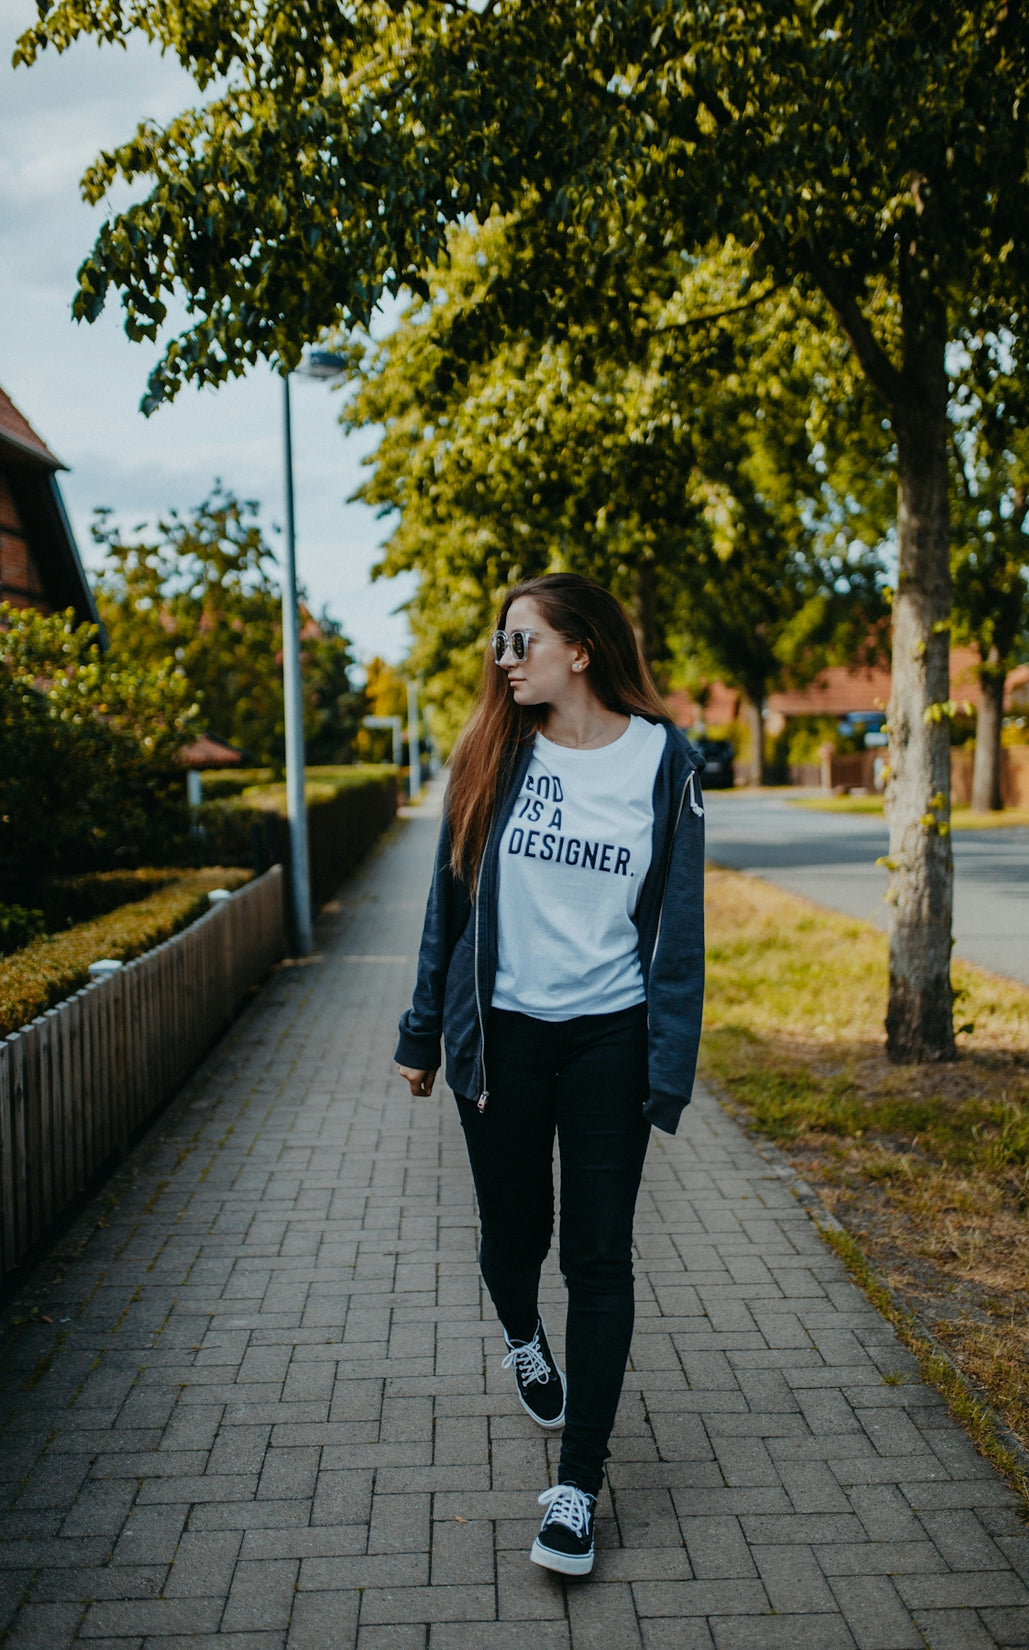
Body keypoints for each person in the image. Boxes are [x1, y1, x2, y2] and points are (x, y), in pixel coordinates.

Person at [395, 573, 705, 1577]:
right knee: (512, 1239)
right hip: (506, 1035)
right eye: (500, 642)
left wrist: (667, 1064)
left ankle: (575, 1487)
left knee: (599, 1257)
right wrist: (419, 1033)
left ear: (579, 648)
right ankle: (521, 1334)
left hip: (608, 1036)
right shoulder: (493, 751)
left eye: (519, 639)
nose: (504, 657)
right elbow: (447, 908)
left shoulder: (663, 761)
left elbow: (681, 927)